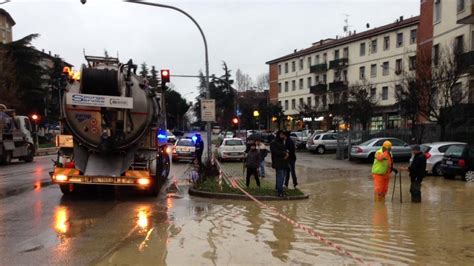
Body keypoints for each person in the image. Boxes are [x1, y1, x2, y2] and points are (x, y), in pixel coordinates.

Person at [270, 130, 289, 197]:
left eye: (283, 135)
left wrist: (286, 153)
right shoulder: (273, 142)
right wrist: (284, 154)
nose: (283, 136)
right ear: (278, 135)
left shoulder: (282, 142)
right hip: (278, 162)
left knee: (283, 176)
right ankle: (280, 192)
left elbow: (284, 150)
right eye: (281, 135)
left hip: (284, 162)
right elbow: (275, 152)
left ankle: (279, 189)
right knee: (280, 177)